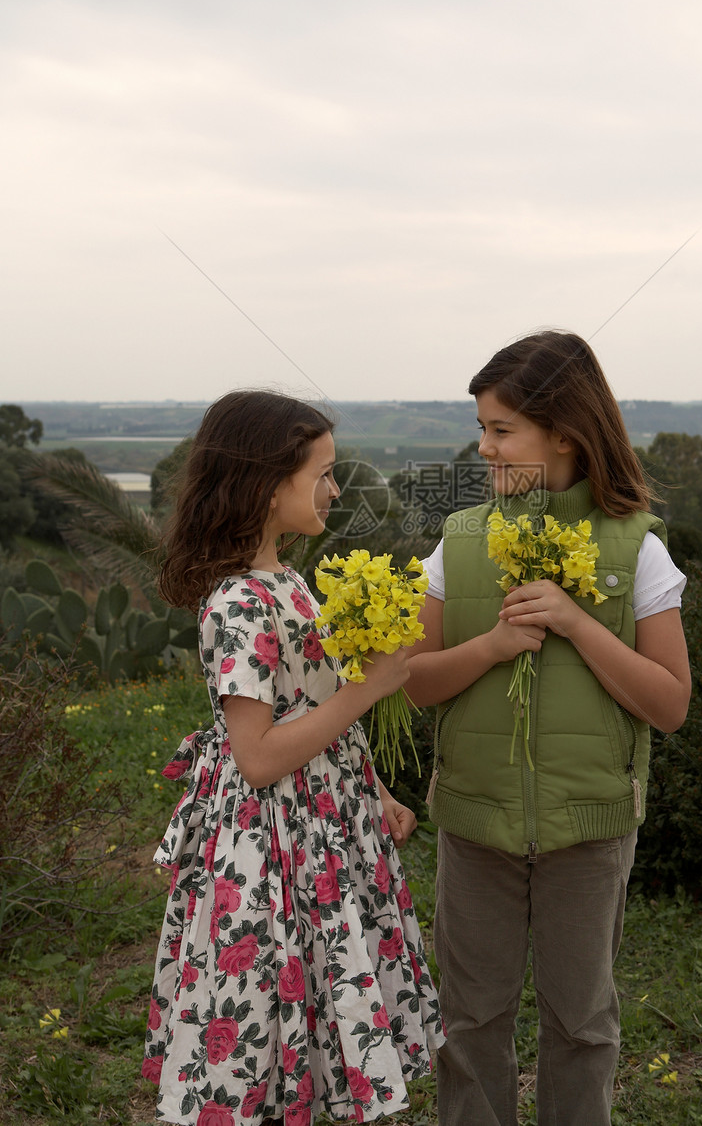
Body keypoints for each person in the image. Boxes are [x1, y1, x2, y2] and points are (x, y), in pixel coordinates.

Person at [405, 331, 690, 1126]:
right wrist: (493, 645)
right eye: (482, 429)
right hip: (474, 824)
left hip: (590, 833)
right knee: (468, 1026)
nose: (484, 448)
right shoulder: (457, 544)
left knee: (582, 1026)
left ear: (563, 433)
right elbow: (414, 686)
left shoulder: (639, 550)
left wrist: (573, 620)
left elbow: (670, 703)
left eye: (501, 430)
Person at [142, 390, 445, 1126]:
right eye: (322, 472)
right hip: (273, 846)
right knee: (274, 1007)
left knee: (312, 1002)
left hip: (323, 827)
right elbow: (257, 757)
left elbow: (307, 707)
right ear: (268, 481)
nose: (335, 489)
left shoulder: (288, 580)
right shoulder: (240, 602)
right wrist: (371, 689)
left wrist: (374, 788)